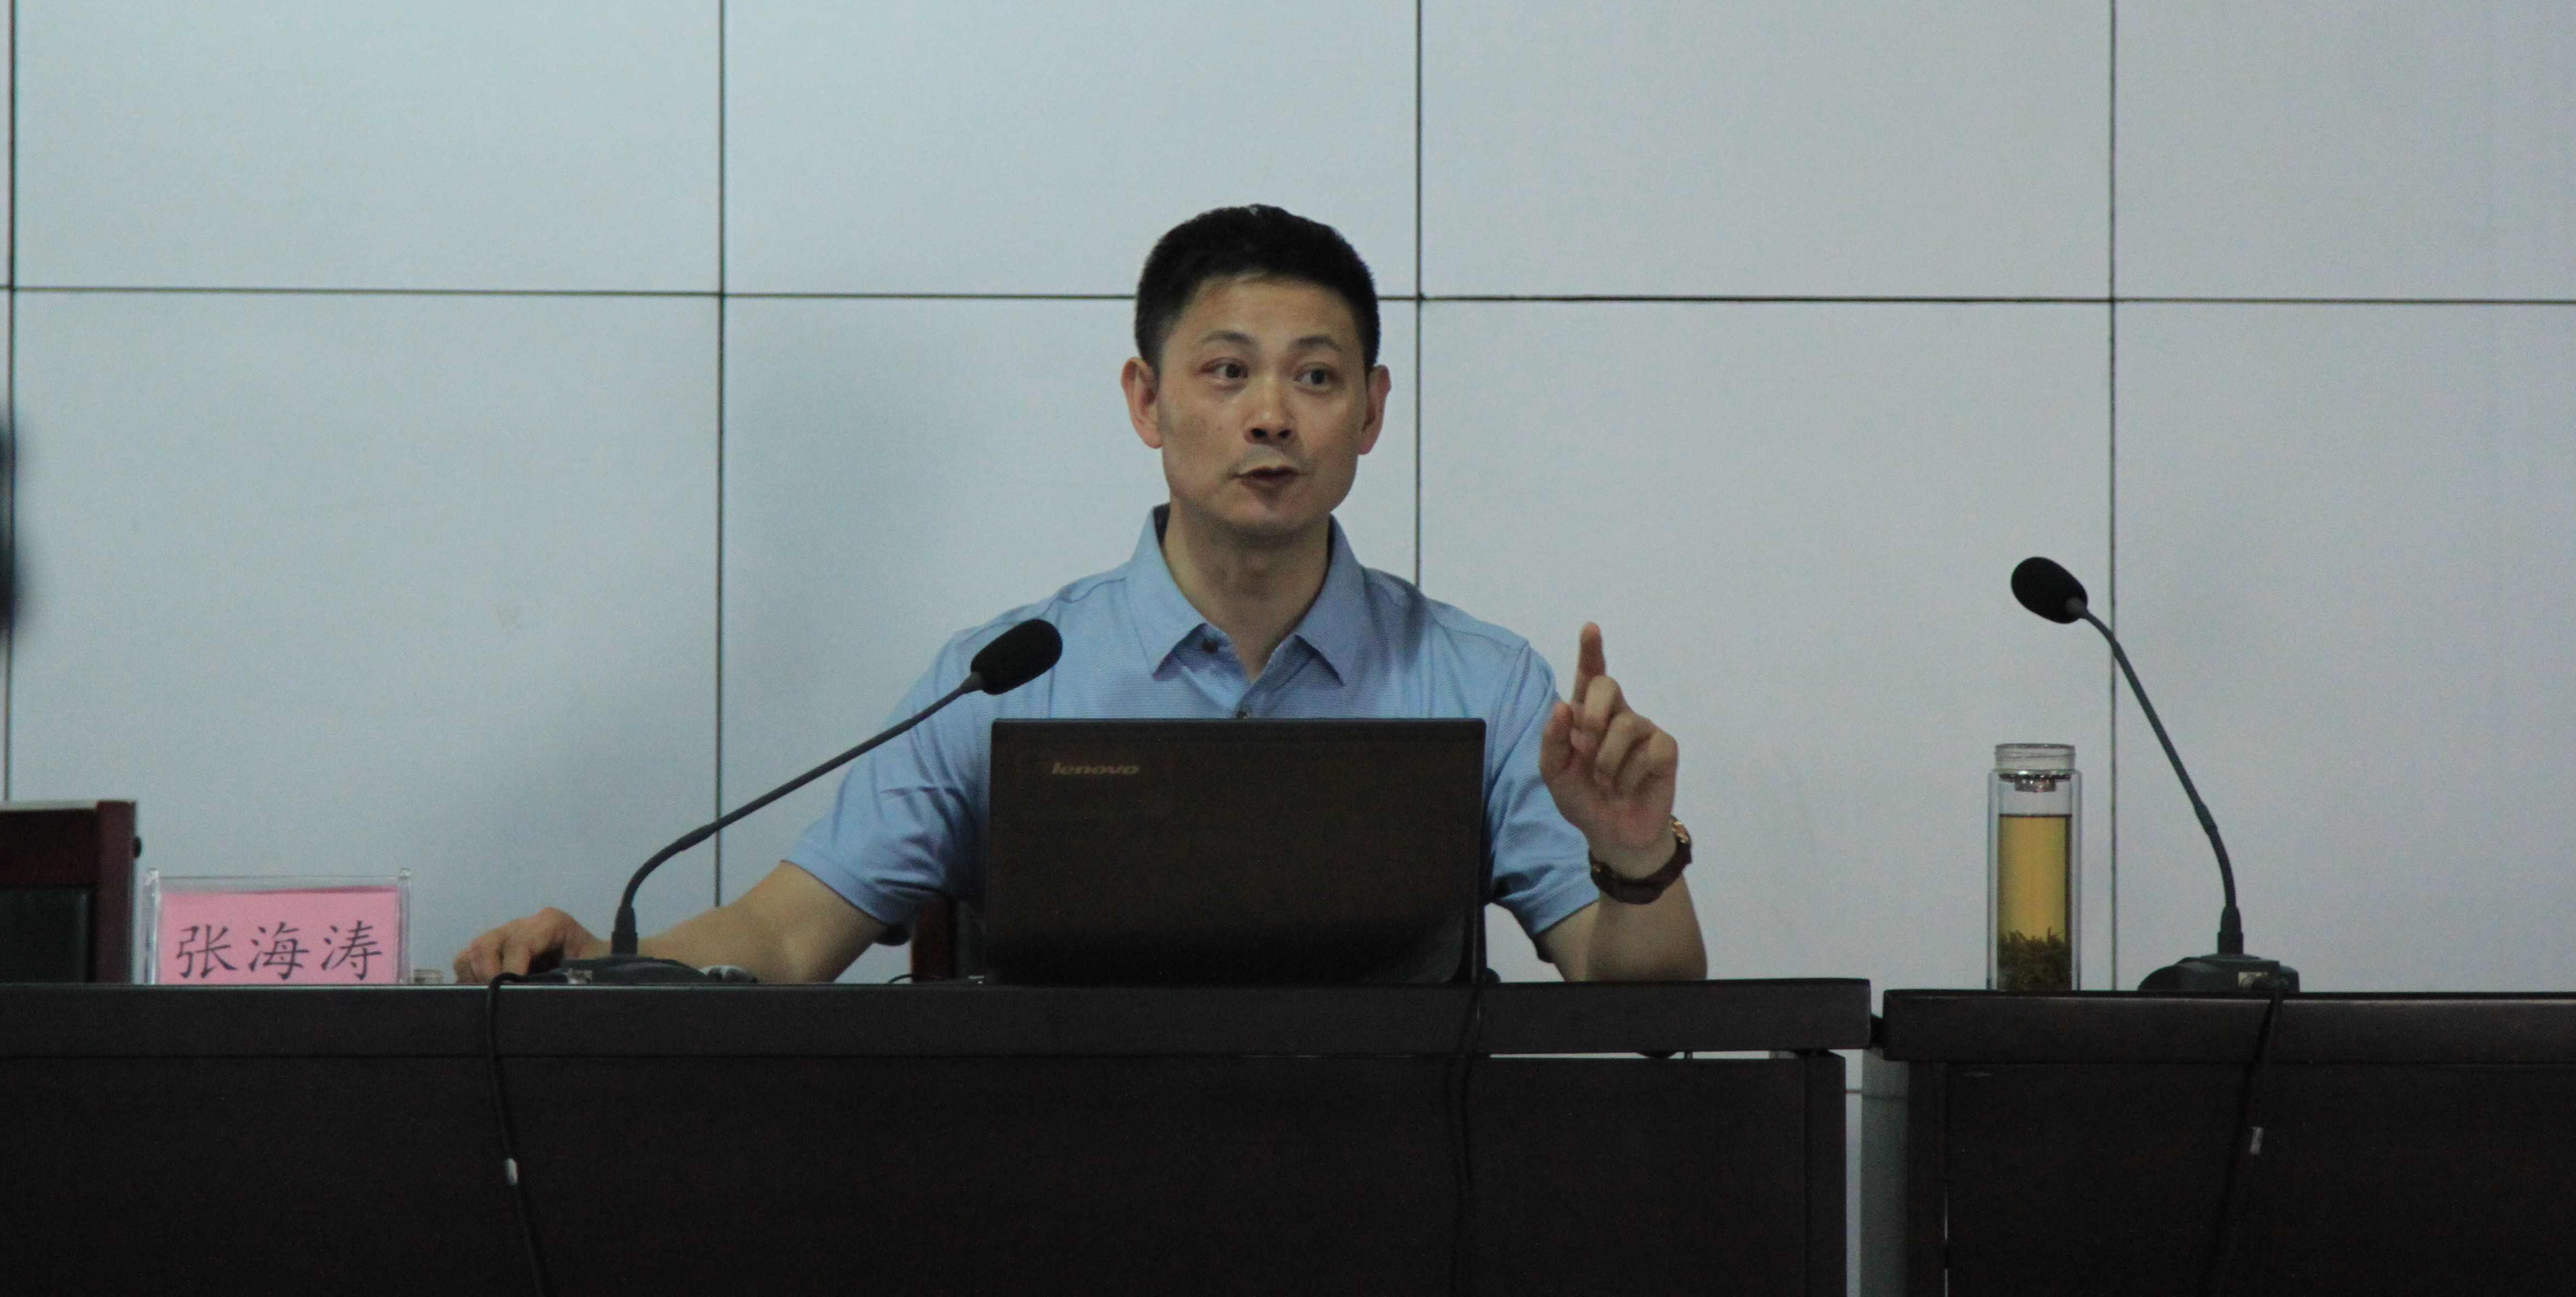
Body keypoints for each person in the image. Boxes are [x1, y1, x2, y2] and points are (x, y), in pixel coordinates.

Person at [457, 206, 1704, 984]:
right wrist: (606, 966)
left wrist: (1637, 859)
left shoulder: (1481, 682)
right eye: (1228, 372)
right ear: (1147, 402)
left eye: (1317, 378)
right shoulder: (1008, 676)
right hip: (1054, 1197)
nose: (1272, 415)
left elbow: (1638, 998)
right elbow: (786, 936)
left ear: (1372, 412)